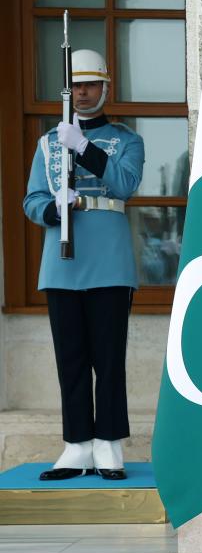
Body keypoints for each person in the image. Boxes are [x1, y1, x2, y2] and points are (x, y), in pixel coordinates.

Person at [22, 49, 144, 482]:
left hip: (109, 262)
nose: (83, 92)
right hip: (62, 262)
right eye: (76, 85)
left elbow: (125, 184)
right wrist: (53, 209)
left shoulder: (127, 139)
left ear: (105, 88)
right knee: (70, 360)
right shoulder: (46, 143)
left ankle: (108, 442)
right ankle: (76, 444)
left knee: (108, 360)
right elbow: (32, 200)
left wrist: (84, 148)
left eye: (91, 84)